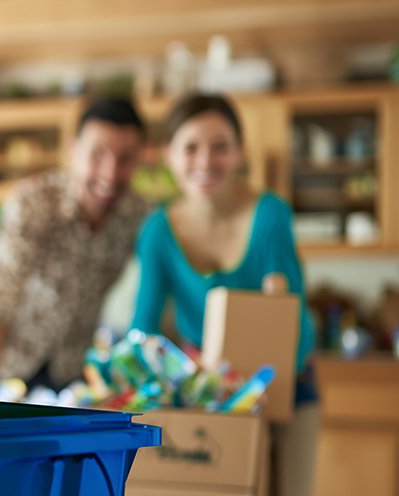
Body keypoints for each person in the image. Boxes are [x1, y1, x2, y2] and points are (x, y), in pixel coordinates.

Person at [129, 93, 317, 496]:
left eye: (220, 147)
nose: (205, 161)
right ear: (169, 155)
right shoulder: (158, 233)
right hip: (206, 397)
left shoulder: (270, 215)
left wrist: (260, 379)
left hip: (286, 388)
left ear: (239, 152)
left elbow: (293, 323)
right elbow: (142, 332)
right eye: (191, 147)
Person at [0, 99, 149, 391]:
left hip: (72, 375)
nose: (109, 173)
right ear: (73, 150)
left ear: (140, 159)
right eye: (97, 155)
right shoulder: (34, 202)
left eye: (125, 158)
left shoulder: (138, 215)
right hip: (8, 369)